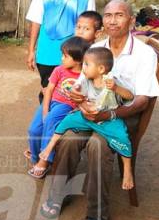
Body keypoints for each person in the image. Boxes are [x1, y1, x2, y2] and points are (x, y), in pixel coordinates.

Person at [40, 0, 159, 220]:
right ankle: (57, 195)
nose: (112, 20)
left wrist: (111, 114)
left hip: (123, 115)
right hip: (92, 112)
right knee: (70, 137)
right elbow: (80, 81)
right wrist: (77, 96)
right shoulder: (96, 47)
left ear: (132, 20)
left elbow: (142, 101)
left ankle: (97, 214)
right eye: (108, 15)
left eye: (119, 15)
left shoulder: (144, 54)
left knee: (97, 145)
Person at [39, 47, 135, 190]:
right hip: (87, 116)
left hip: (107, 119)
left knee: (122, 137)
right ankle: (49, 148)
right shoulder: (87, 80)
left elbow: (130, 96)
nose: (83, 68)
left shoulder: (112, 81)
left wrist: (116, 89)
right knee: (66, 121)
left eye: (86, 64)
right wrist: (76, 94)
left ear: (101, 69)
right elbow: (77, 91)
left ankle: (127, 170)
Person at [25, 11, 102, 178]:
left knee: (51, 120)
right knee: (34, 129)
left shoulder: (90, 66)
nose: (80, 31)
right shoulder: (60, 69)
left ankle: (45, 160)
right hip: (52, 101)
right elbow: (49, 89)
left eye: (86, 28)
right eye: (78, 27)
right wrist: (45, 108)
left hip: (68, 105)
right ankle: (35, 151)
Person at [26, 0, 95, 102]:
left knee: (68, 90)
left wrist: (87, 53)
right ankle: (46, 120)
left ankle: (58, 122)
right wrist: (31, 50)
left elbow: (90, 25)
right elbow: (36, 20)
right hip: (46, 49)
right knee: (47, 88)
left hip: (73, 50)